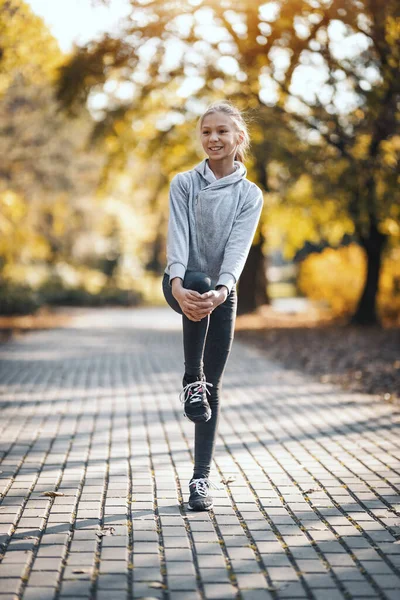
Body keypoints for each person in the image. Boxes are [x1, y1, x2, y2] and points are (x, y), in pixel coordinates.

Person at [162, 100, 264, 511]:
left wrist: (223, 291)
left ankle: (200, 479)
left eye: (222, 131)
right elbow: (178, 239)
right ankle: (191, 376)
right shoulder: (184, 183)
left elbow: (237, 252)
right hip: (180, 281)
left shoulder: (249, 194)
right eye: (206, 132)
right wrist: (178, 284)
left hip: (222, 291)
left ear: (239, 138)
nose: (213, 139)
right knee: (198, 278)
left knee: (212, 392)